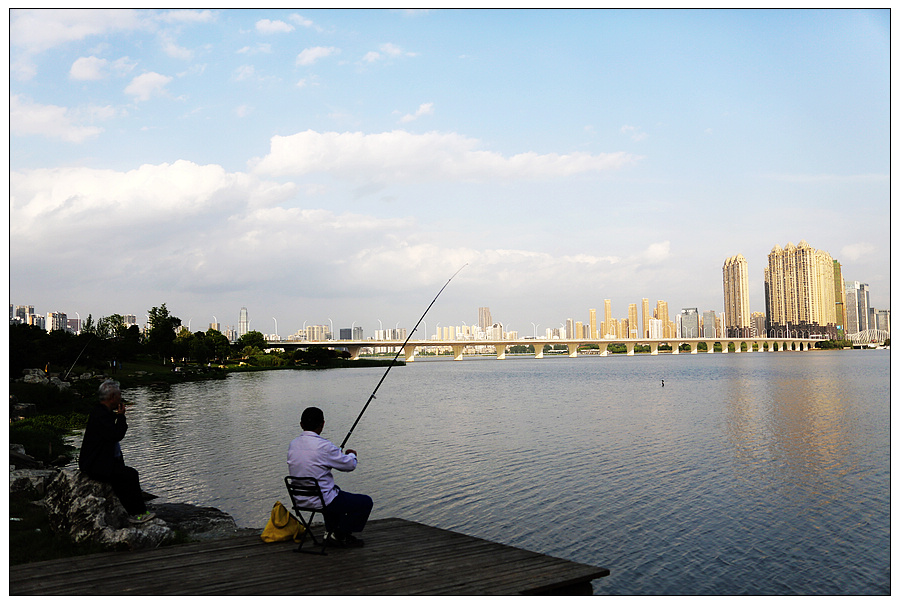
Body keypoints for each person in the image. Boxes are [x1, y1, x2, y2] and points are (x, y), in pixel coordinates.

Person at [287, 406, 373, 548]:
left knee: (334, 490)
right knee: (365, 502)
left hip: (300, 499)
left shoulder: (293, 445)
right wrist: (351, 454)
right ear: (322, 424)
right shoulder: (324, 447)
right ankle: (339, 534)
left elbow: (312, 462)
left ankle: (331, 531)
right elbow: (350, 465)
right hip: (322, 500)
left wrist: (333, 456)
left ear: (301, 424)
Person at [79, 379, 156, 523]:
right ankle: (137, 513)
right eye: (119, 395)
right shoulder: (101, 415)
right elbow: (116, 435)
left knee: (123, 476)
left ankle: (135, 510)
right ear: (112, 397)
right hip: (94, 465)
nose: (121, 397)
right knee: (131, 475)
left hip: (100, 462)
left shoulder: (101, 411)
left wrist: (118, 416)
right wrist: (121, 416)